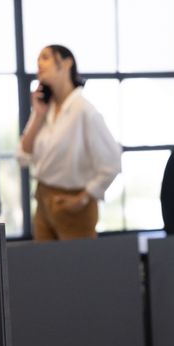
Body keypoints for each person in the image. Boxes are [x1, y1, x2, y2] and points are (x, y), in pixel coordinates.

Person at [18, 44, 121, 241]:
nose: (39, 63)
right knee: (46, 268)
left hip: (73, 205)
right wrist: (38, 115)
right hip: (43, 201)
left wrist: (82, 198)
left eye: (46, 57)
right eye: (38, 59)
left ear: (66, 63)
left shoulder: (84, 111)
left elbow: (113, 163)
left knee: (77, 269)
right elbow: (23, 154)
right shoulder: (45, 108)